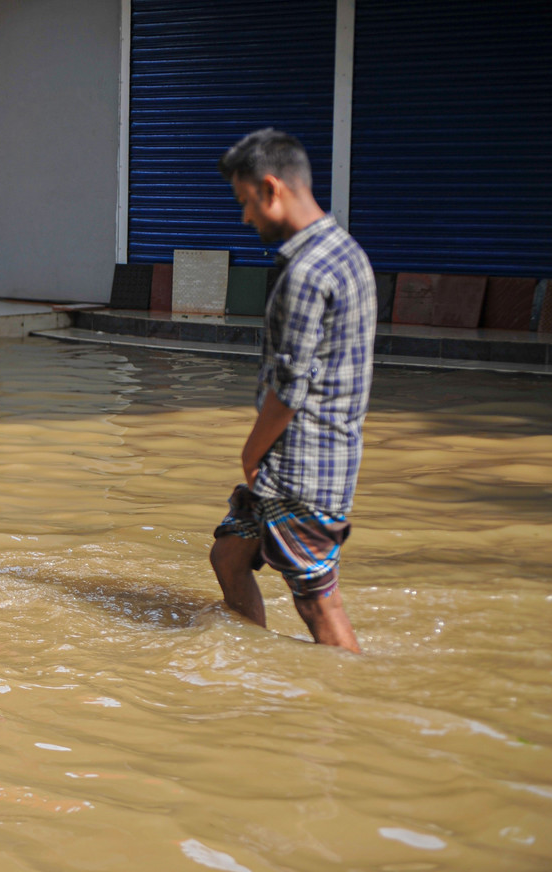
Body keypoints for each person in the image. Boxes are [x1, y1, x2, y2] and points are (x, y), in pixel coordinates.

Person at [209, 128, 376, 652]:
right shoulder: (344, 251)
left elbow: (289, 385)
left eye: (246, 203)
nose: (245, 219)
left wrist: (250, 451)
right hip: (311, 459)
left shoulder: (306, 272)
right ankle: (255, 665)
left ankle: (350, 703)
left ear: (271, 189)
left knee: (317, 604)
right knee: (228, 558)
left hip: (302, 467)